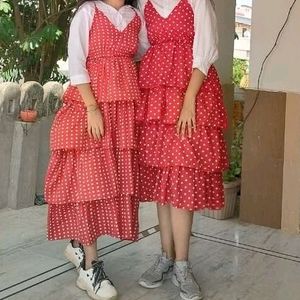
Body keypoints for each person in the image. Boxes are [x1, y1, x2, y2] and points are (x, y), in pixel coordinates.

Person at [44, 1, 148, 299]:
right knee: (89, 184)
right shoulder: (88, 12)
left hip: (123, 112)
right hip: (91, 107)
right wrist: (92, 107)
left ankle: (77, 244)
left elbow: (140, 53)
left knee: (107, 185)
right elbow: (76, 61)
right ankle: (90, 267)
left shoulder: (135, 16)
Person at [136, 1, 228, 299]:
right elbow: (141, 48)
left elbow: (206, 50)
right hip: (156, 96)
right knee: (164, 182)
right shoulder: (144, 3)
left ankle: (182, 264)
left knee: (182, 182)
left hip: (191, 94)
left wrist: (189, 100)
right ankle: (165, 256)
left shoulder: (197, 1)